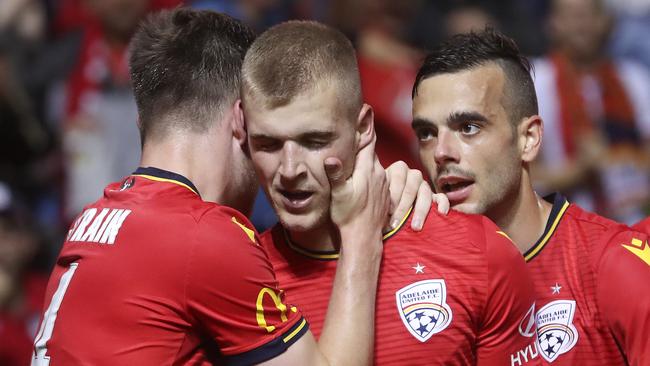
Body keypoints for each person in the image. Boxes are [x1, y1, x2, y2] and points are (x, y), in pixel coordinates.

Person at [31, 8, 399, 365]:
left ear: (143, 118)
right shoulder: (203, 234)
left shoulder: (93, 219)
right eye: (267, 139)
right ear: (242, 119)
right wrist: (360, 234)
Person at [241, 20, 539, 365]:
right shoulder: (240, 279)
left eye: (314, 141)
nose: (290, 170)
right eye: (268, 144)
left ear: (363, 129)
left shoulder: (480, 253)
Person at [411, 28, 650, 365]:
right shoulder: (415, 278)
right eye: (426, 133)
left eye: (468, 127)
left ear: (529, 139)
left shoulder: (609, 265)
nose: (441, 153)